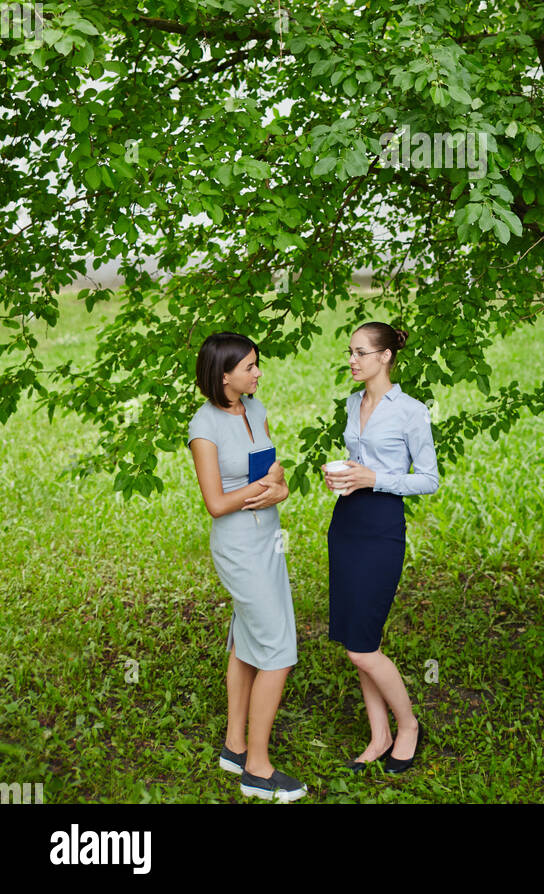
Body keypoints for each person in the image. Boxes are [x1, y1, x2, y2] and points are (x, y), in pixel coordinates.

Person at [187, 331, 306, 803]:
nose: (258, 373)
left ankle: (235, 746)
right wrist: (262, 491)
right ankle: (257, 770)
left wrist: (278, 489)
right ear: (224, 375)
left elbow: (275, 470)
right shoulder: (204, 427)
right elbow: (216, 503)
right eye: (251, 367)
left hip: (269, 537)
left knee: (244, 638)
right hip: (237, 545)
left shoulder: (254, 408)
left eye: (257, 364)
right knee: (278, 650)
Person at [322, 322, 439, 775]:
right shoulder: (354, 402)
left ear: (386, 357)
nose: (353, 360)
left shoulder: (411, 411)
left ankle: (408, 727)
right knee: (357, 639)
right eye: (350, 351)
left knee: (362, 648)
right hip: (347, 521)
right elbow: (361, 462)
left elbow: (428, 479)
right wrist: (347, 475)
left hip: (382, 527)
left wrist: (374, 479)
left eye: (361, 352)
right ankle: (379, 735)